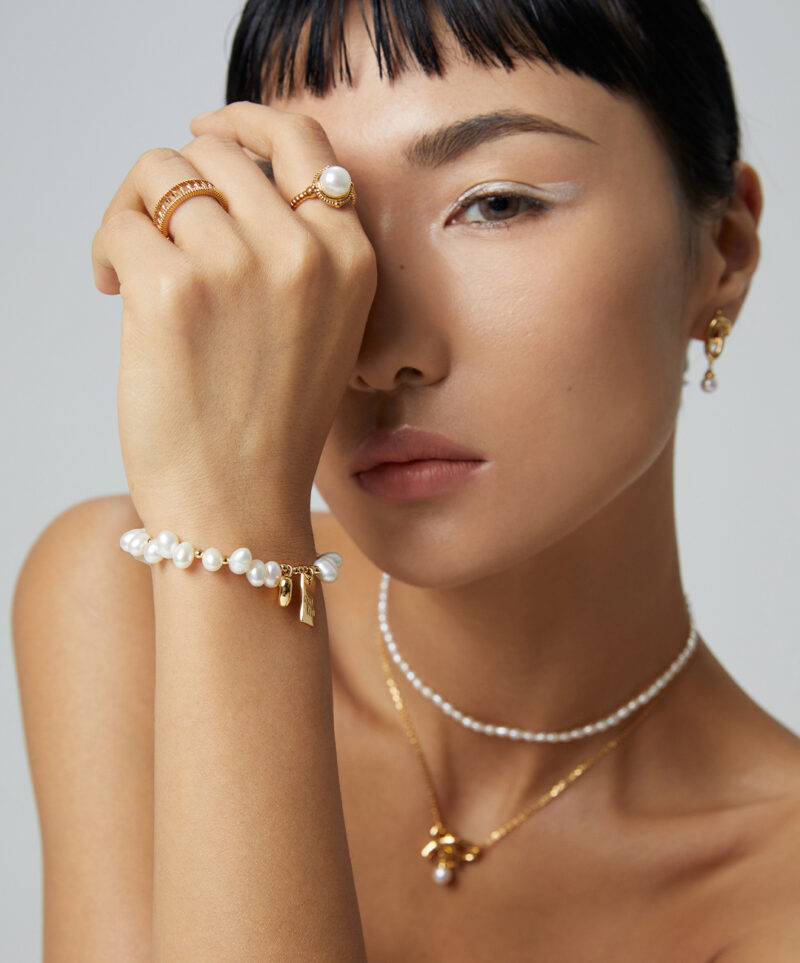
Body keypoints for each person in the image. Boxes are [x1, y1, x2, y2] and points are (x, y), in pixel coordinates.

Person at [11, 0, 800, 959]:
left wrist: (238, 556)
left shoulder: (773, 890)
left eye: (496, 202)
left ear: (723, 254)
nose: (378, 350)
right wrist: (231, 536)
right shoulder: (128, 597)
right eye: (313, 215)